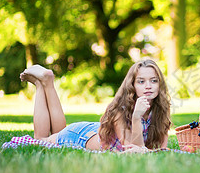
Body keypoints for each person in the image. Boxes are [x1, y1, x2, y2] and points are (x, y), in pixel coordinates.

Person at [19, 59, 171, 153]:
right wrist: (137, 116)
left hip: (94, 131)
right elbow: (133, 151)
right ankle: (40, 84)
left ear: (160, 84)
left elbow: (161, 150)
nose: (148, 86)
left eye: (154, 80)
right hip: (79, 136)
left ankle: (48, 81)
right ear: (132, 85)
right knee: (41, 138)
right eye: (141, 81)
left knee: (58, 131)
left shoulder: (162, 108)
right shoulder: (121, 110)